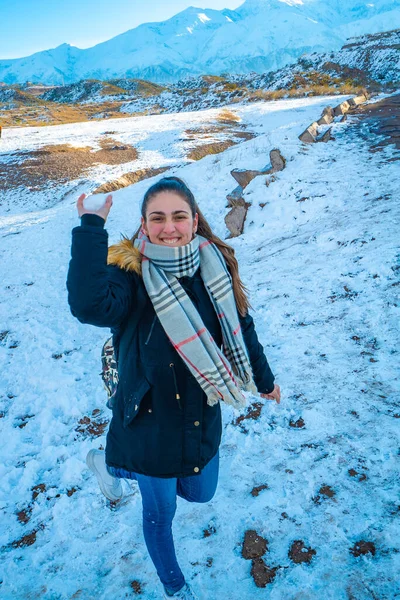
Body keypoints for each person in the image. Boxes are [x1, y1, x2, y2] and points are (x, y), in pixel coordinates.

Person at [67, 176, 280, 599]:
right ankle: (174, 586)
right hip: (147, 420)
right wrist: (91, 228)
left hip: (202, 413)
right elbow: (89, 305)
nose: (169, 227)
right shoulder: (128, 276)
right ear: (144, 226)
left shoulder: (213, 268)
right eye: (157, 218)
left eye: (179, 216)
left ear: (195, 220)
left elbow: (242, 326)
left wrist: (265, 378)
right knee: (160, 511)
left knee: (200, 493)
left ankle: (106, 464)